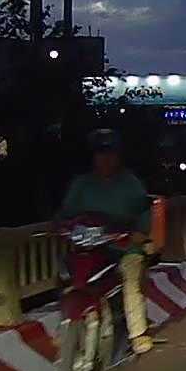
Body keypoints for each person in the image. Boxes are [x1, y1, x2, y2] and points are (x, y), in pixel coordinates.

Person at [55, 128, 154, 355]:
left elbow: (144, 211)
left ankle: (138, 333)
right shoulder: (82, 184)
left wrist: (139, 233)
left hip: (123, 247)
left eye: (110, 154)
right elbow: (67, 213)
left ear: (118, 156)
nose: (105, 160)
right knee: (66, 275)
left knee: (130, 278)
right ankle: (66, 323)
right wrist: (57, 225)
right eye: (101, 155)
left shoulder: (130, 183)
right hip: (89, 247)